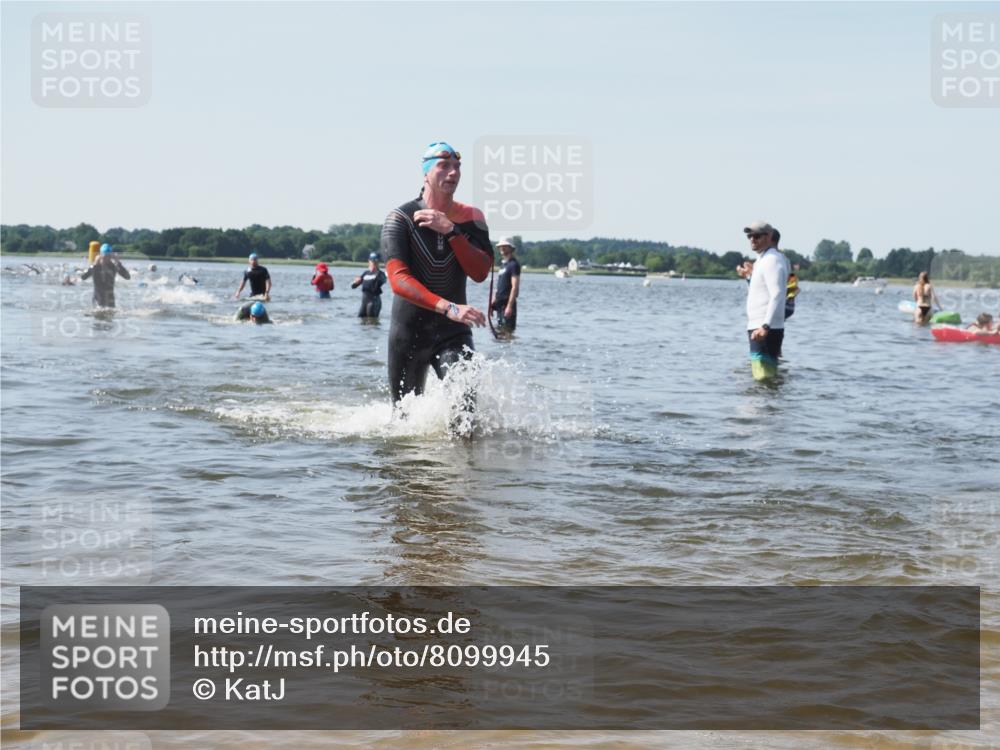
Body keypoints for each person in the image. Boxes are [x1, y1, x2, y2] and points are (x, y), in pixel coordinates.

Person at [380, 141, 492, 405]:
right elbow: (399, 280)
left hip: (453, 332)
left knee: (465, 411)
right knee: (404, 422)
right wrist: (449, 307)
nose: (453, 172)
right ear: (426, 173)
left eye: (457, 166)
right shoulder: (400, 218)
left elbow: (480, 272)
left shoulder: (472, 218)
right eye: (444, 166)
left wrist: (452, 231)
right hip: (408, 332)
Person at [743, 221, 790, 381]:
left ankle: (765, 405)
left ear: (769, 236)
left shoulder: (772, 260)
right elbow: (760, 290)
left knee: (763, 378)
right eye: (749, 236)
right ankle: (768, 404)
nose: (752, 239)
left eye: (756, 236)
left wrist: (765, 326)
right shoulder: (762, 260)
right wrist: (749, 277)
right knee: (763, 379)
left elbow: (777, 293)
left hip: (764, 327)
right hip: (758, 325)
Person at [80, 243, 131, 308]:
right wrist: (94, 264)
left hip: (110, 300)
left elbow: (127, 277)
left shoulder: (113, 266)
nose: (106, 259)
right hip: (97, 299)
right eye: (104, 257)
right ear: (101, 256)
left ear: (111, 256)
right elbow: (83, 277)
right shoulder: (96, 266)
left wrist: (118, 262)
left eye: (108, 257)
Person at [491, 237, 521, 334]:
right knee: (499, 331)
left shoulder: (514, 264)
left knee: (508, 332)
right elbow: (498, 286)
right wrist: (492, 303)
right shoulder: (503, 265)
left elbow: (515, 287)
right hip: (499, 304)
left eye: (505, 246)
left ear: (510, 248)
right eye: (500, 246)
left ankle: (509, 349)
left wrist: (509, 306)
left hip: (507, 304)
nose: (502, 248)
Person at [352, 253, 388, 318]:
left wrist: (385, 275)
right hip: (364, 301)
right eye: (372, 260)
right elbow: (353, 286)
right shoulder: (365, 273)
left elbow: (383, 281)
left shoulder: (381, 274)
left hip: (374, 301)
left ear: (378, 262)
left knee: (371, 322)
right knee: (360, 320)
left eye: (376, 261)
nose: (373, 263)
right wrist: (356, 282)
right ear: (369, 261)